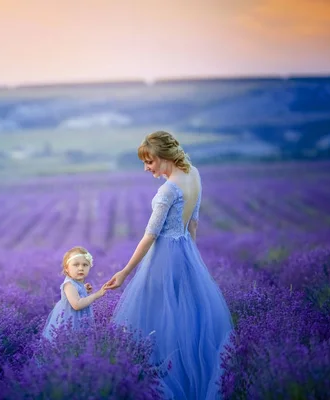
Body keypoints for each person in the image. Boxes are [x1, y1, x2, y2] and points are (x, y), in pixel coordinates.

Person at [103, 131, 233, 399]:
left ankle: (164, 381)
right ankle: (189, 379)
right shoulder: (194, 174)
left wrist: (125, 272)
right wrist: (190, 260)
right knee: (186, 320)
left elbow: (150, 236)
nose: (146, 168)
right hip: (185, 251)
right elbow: (193, 223)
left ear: (163, 157)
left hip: (163, 258)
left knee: (158, 321)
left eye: (149, 162)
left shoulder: (168, 190)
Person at [42, 246, 107, 340]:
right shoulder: (68, 285)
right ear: (67, 268)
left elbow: (76, 294)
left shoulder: (77, 283)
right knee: (71, 341)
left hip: (79, 319)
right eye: (76, 265)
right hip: (71, 321)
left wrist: (84, 289)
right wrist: (96, 295)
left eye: (85, 265)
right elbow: (77, 304)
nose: (81, 268)